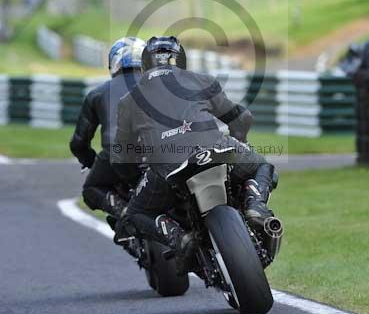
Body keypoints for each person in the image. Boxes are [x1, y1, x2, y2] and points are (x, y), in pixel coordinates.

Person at [112, 36, 278, 263]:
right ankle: (255, 205)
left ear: (145, 64)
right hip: (215, 148)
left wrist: (132, 175)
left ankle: (179, 238)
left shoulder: (128, 100)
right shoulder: (202, 80)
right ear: (181, 59)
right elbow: (242, 117)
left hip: (166, 165)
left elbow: (121, 154)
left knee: (135, 215)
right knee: (261, 166)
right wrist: (240, 140)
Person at [70, 36, 145, 219]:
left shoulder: (98, 93)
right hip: (164, 149)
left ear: (115, 62)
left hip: (118, 152)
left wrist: (90, 161)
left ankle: (125, 213)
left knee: (91, 189)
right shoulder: (161, 85)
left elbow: (79, 143)